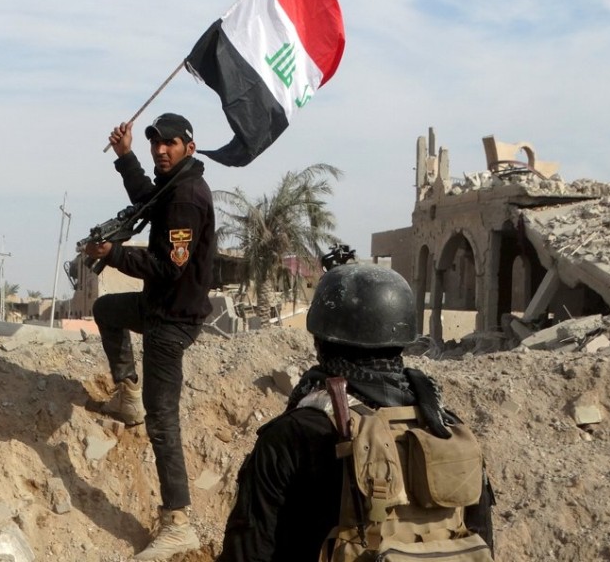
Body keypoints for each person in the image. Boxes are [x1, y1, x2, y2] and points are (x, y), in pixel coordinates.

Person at [217, 263, 495, 562]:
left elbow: (247, 552)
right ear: (402, 341)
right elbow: (481, 542)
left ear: (320, 341)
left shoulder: (292, 435)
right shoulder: (449, 431)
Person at [84, 112, 215, 561]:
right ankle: (127, 394)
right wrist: (125, 156)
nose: (160, 150)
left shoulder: (187, 198)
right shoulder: (173, 184)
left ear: (189, 147)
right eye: (156, 142)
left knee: (162, 420)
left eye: (169, 143)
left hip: (172, 322)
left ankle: (178, 523)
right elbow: (146, 199)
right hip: (157, 307)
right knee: (106, 310)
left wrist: (114, 254)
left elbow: (168, 267)